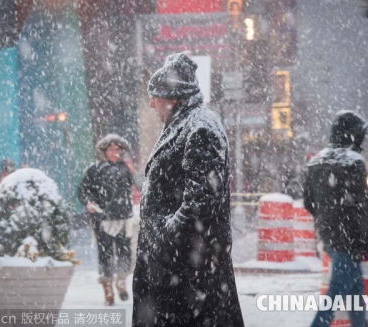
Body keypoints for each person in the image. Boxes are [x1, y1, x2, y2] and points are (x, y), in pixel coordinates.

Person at [132, 53, 244, 327]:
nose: (150, 103)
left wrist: (164, 236)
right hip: (179, 269)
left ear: (173, 98)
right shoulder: (186, 124)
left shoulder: (200, 127)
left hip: (186, 273)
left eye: (155, 96)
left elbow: (201, 201)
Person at [304, 111, 368, 327]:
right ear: (352, 135)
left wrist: (327, 219)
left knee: (355, 294)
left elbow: (308, 202)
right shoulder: (354, 162)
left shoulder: (316, 162)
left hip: (330, 237)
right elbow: (362, 207)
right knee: (335, 295)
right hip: (350, 239)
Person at [78, 134, 139, 306]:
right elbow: (83, 190)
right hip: (102, 218)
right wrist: (89, 202)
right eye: (111, 149)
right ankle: (108, 290)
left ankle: (121, 282)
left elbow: (141, 185)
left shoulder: (125, 168)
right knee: (105, 254)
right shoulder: (94, 169)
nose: (115, 152)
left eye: (118, 149)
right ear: (104, 151)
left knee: (125, 252)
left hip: (123, 217)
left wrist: (133, 170)